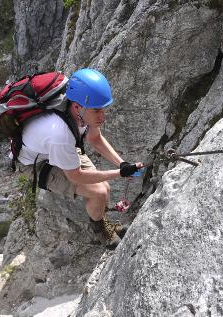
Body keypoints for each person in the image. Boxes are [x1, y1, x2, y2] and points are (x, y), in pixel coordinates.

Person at [15, 68, 143, 250]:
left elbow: (95, 138)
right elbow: (77, 177)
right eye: (97, 111)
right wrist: (119, 173)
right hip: (37, 163)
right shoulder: (60, 134)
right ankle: (100, 231)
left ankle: (102, 221)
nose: (103, 117)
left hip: (52, 148)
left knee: (104, 188)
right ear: (77, 107)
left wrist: (122, 164)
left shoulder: (80, 111)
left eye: (103, 110)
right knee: (99, 192)